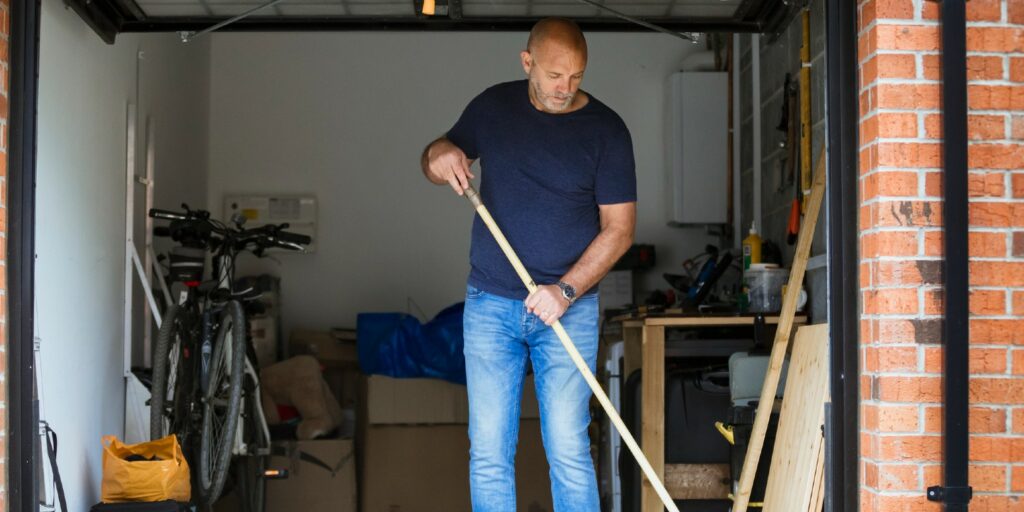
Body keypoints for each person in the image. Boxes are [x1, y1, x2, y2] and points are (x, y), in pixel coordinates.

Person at [420, 17, 636, 512]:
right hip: (491, 303)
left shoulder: (606, 131)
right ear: (527, 62)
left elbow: (620, 229)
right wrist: (441, 154)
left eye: (577, 77)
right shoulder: (492, 108)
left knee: (569, 450)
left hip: (570, 308)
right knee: (490, 453)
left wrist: (565, 291)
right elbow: (436, 155)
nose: (566, 88)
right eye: (555, 75)